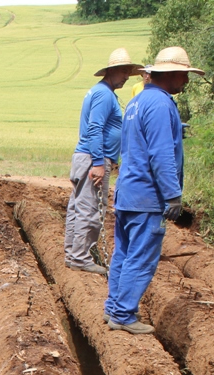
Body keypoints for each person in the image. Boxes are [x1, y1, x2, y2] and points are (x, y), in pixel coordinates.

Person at [104, 46, 205, 334]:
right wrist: (172, 195)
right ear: (170, 74)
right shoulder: (161, 105)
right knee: (141, 257)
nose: (186, 82)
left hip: (127, 192)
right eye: (183, 76)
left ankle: (113, 309)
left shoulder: (138, 102)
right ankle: (123, 315)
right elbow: (162, 154)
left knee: (123, 253)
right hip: (148, 196)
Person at [64, 48, 142, 275]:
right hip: (92, 158)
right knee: (89, 210)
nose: (127, 77)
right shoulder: (104, 95)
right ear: (112, 71)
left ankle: (73, 254)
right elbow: (95, 128)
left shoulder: (100, 92)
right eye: (125, 72)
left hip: (87, 157)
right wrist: (99, 162)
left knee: (78, 207)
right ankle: (80, 257)